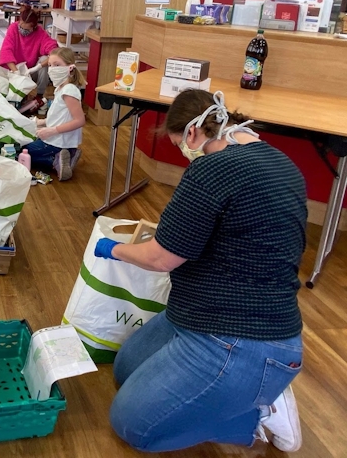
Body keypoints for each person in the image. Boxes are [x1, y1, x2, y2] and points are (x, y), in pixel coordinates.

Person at [94, 89, 307, 453]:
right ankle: (251, 387)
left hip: (242, 336)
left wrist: (113, 249)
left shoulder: (211, 169)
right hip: (203, 310)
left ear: (192, 132)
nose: (183, 152)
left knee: (132, 424)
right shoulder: (278, 160)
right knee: (126, 368)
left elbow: (162, 258)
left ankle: (262, 410)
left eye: (179, 144)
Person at [25, 47, 85, 181]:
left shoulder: (69, 91)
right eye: (51, 65)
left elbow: (80, 120)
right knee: (25, 149)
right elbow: (61, 115)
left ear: (70, 67)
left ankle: (55, 159)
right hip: (56, 138)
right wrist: (42, 122)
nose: (52, 69)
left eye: (57, 65)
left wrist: (51, 131)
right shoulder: (60, 88)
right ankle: (66, 155)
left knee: (20, 152)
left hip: (57, 140)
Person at [0, 5, 58, 114]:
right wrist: (16, 72)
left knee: (45, 59)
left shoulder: (40, 32)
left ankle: (39, 97)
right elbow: (6, 51)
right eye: (20, 26)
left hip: (30, 71)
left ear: (34, 27)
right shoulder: (13, 28)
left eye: (26, 29)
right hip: (13, 70)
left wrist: (37, 67)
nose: (22, 30)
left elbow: (52, 49)